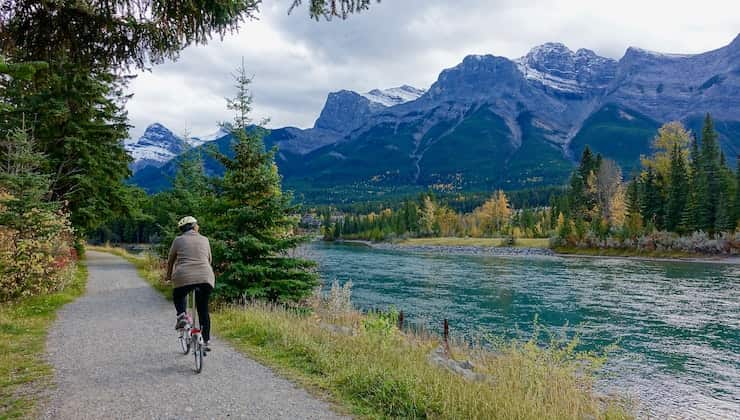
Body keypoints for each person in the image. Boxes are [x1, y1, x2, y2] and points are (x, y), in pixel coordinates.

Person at [166, 216, 215, 351]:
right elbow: (209, 259)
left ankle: (182, 316)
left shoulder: (178, 240)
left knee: (178, 294)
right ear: (194, 227)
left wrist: (168, 277)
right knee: (203, 309)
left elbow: (171, 260)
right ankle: (206, 341)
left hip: (183, 277)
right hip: (205, 277)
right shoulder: (205, 239)